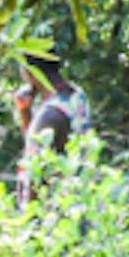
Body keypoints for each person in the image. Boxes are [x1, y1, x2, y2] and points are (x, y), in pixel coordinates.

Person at [16, 55, 91, 199]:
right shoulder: (77, 95)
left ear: (30, 72)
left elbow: (33, 171)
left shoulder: (49, 114)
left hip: (54, 207)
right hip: (79, 198)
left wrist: (25, 216)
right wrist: (25, 112)